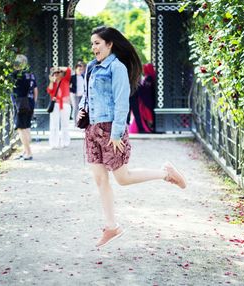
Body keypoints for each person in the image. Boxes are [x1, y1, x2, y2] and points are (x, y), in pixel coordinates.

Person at [77, 26, 187, 248]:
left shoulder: (116, 68)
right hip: (91, 129)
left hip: (110, 130)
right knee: (100, 179)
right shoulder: (91, 67)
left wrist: (117, 133)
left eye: (97, 43)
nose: (93, 48)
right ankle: (112, 227)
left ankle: (165, 173)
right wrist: (80, 111)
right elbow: (86, 96)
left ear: (110, 44)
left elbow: (121, 101)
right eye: (92, 44)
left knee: (123, 178)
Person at [10, 54, 38, 160]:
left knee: (21, 128)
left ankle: (29, 153)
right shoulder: (31, 74)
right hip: (29, 103)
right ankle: (25, 151)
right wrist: (32, 103)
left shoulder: (15, 75)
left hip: (20, 104)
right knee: (26, 127)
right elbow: (36, 90)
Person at [47, 66, 71, 149]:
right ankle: (54, 143)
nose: (57, 74)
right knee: (54, 125)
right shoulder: (53, 83)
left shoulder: (66, 80)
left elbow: (68, 70)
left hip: (65, 105)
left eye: (58, 72)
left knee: (65, 125)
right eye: (55, 73)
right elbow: (49, 91)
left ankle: (65, 142)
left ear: (61, 73)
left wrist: (57, 67)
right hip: (56, 105)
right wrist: (51, 81)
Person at [129, 63, 156, 133]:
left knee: (148, 116)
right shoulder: (149, 77)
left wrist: (139, 88)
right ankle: (148, 128)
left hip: (146, 101)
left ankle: (149, 128)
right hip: (145, 100)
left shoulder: (148, 78)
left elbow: (146, 89)